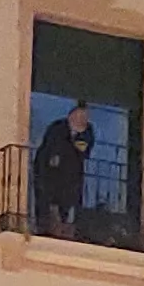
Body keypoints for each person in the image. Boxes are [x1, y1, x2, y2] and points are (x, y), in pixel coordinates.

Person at [30, 100, 95, 234]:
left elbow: (85, 149)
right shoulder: (57, 127)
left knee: (68, 200)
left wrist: (77, 139)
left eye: (85, 118)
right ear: (71, 116)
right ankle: (44, 225)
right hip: (49, 173)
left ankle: (65, 223)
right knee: (47, 199)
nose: (83, 120)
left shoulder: (87, 131)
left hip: (71, 175)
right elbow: (49, 147)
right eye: (80, 117)